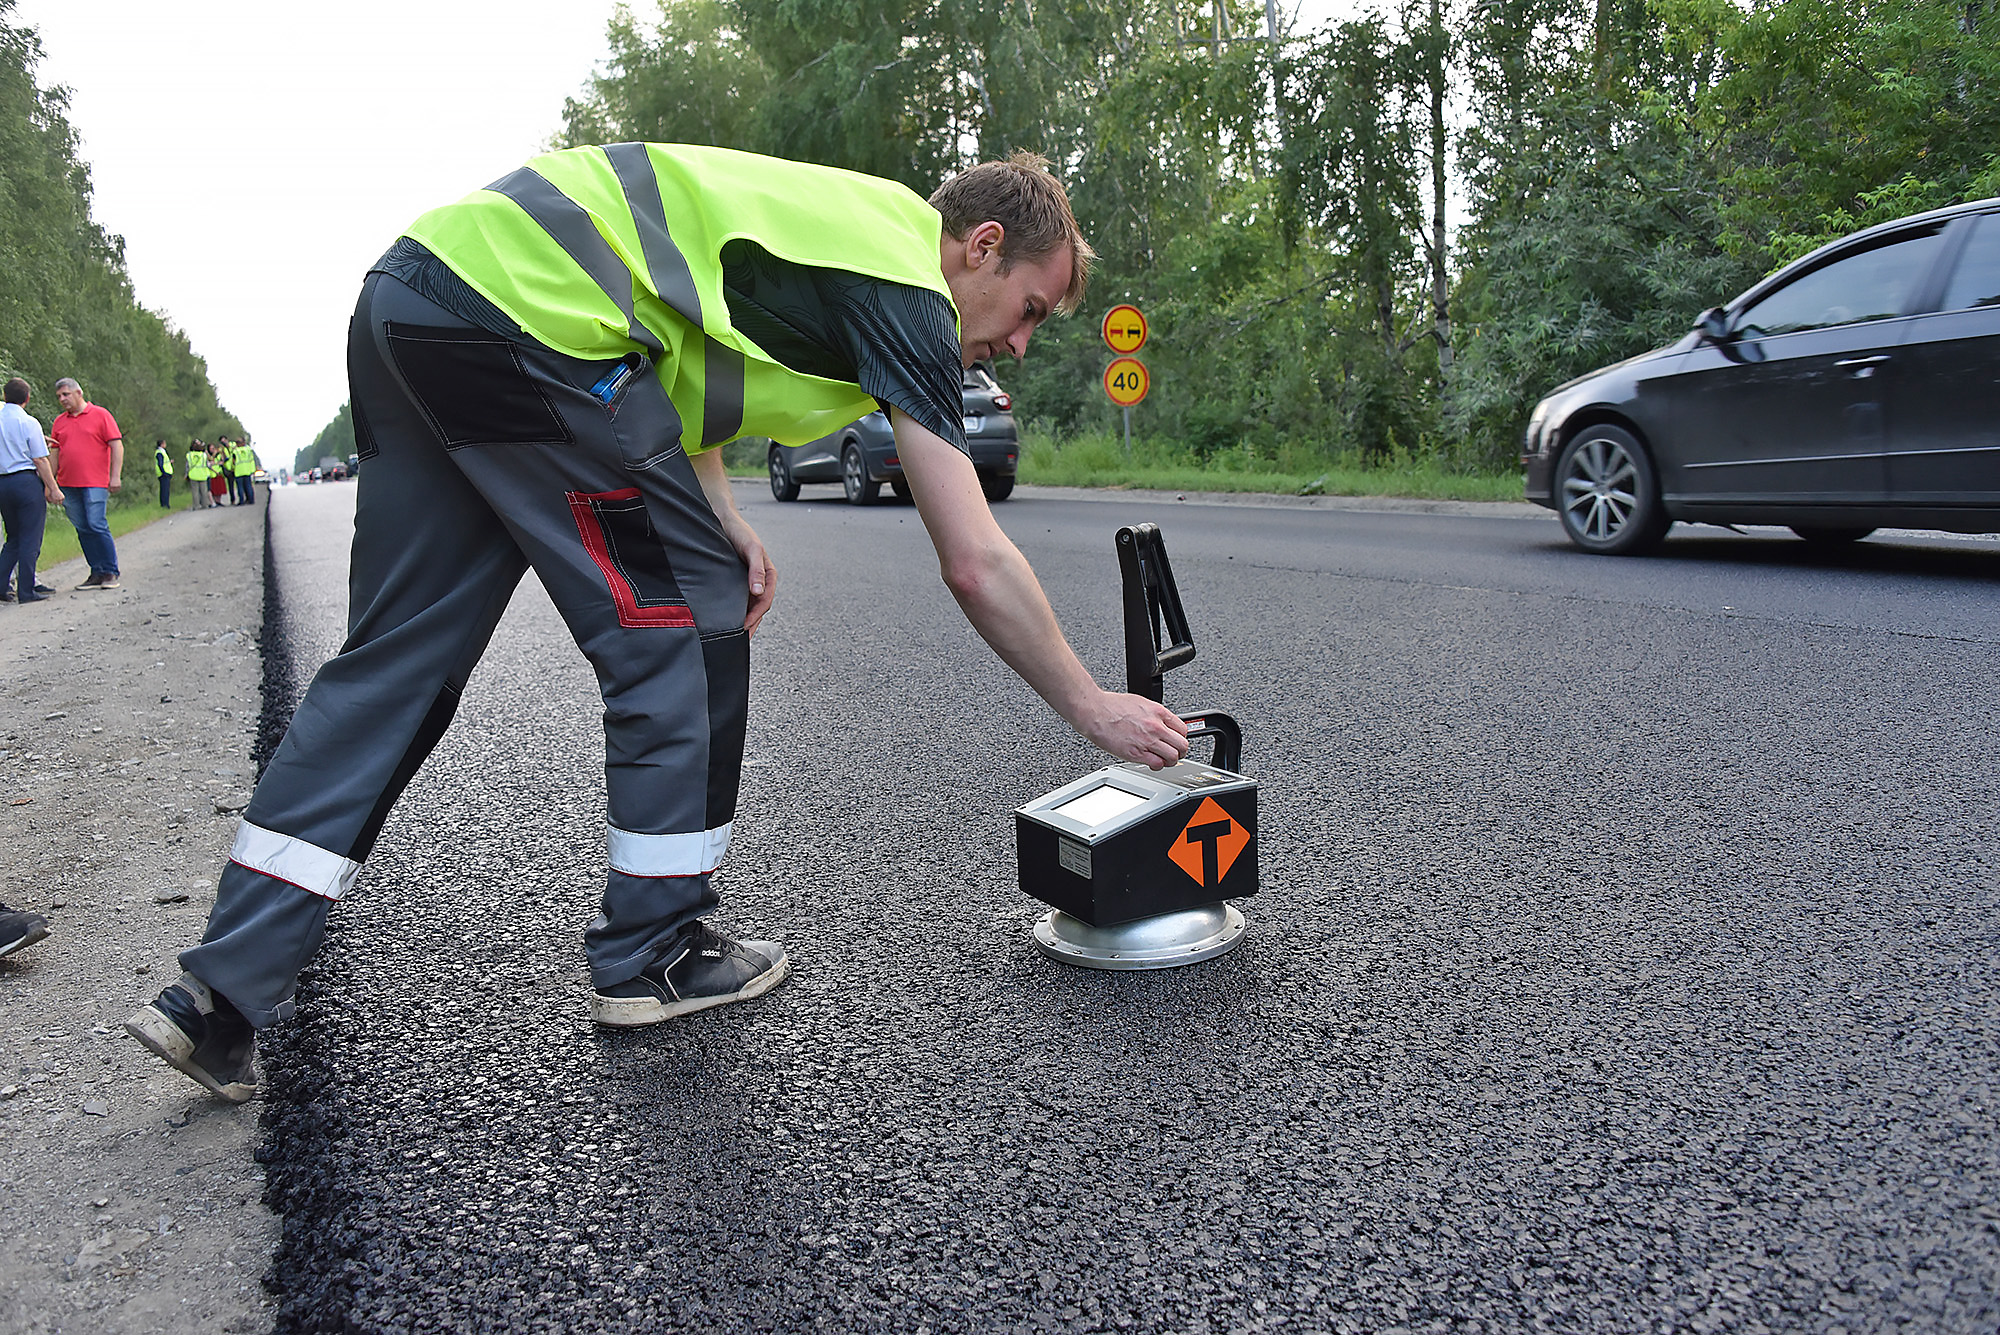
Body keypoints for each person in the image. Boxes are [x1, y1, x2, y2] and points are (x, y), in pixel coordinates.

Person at [126, 143, 1188, 1103]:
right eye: (1030, 309)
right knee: (680, 626)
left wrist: (721, 511)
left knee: (392, 671)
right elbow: (973, 556)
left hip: (417, 295)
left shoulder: (832, 232)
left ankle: (218, 999)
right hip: (531, 320)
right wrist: (1090, 707)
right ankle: (655, 951)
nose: (1016, 343)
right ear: (981, 246)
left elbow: (675, 353)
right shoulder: (909, 280)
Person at [48, 378, 121, 590]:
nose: (62, 399)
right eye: (59, 396)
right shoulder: (59, 422)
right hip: (68, 484)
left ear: (78, 392)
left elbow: (116, 445)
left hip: (95, 482)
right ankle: (96, 571)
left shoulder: (100, 415)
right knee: (83, 528)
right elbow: (55, 453)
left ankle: (110, 571)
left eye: (65, 394)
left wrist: (115, 476)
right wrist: (50, 484)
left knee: (96, 523)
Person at [0, 377, 61, 603]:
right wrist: (52, 488)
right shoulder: (29, 422)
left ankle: (1, 585)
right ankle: (27, 591)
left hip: (3, 483)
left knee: (13, 538)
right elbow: (40, 459)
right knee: (30, 538)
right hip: (25, 482)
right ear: (27, 399)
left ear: (5, 396)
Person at [185, 439, 212, 509]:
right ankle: (205, 505)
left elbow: (187, 466)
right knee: (204, 491)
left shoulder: (189, 455)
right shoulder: (203, 455)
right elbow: (207, 465)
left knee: (195, 492)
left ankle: (196, 506)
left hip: (193, 475)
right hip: (202, 475)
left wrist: (186, 474)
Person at [233, 438, 259, 505]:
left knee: (240, 487)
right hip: (247, 470)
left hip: (238, 471)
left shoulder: (235, 451)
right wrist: (252, 469)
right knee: (248, 486)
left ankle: (241, 501)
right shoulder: (248, 450)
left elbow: (233, 461)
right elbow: (251, 460)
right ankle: (251, 500)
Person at [207, 441, 228, 508]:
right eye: (211, 448)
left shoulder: (219, 455)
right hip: (212, 474)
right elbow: (209, 463)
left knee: (220, 489)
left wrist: (216, 463)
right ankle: (215, 501)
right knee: (214, 489)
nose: (213, 450)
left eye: (213, 448)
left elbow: (222, 461)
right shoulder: (208, 456)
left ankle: (219, 501)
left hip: (219, 473)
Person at [154, 438, 174, 508]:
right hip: (164, 473)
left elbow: (164, 462)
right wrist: (164, 472)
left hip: (166, 472)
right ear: (162, 444)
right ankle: (165, 505)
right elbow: (160, 463)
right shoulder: (160, 452)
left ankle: (165, 504)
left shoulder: (162, 451)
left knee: (165, 489)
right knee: (164, 490)